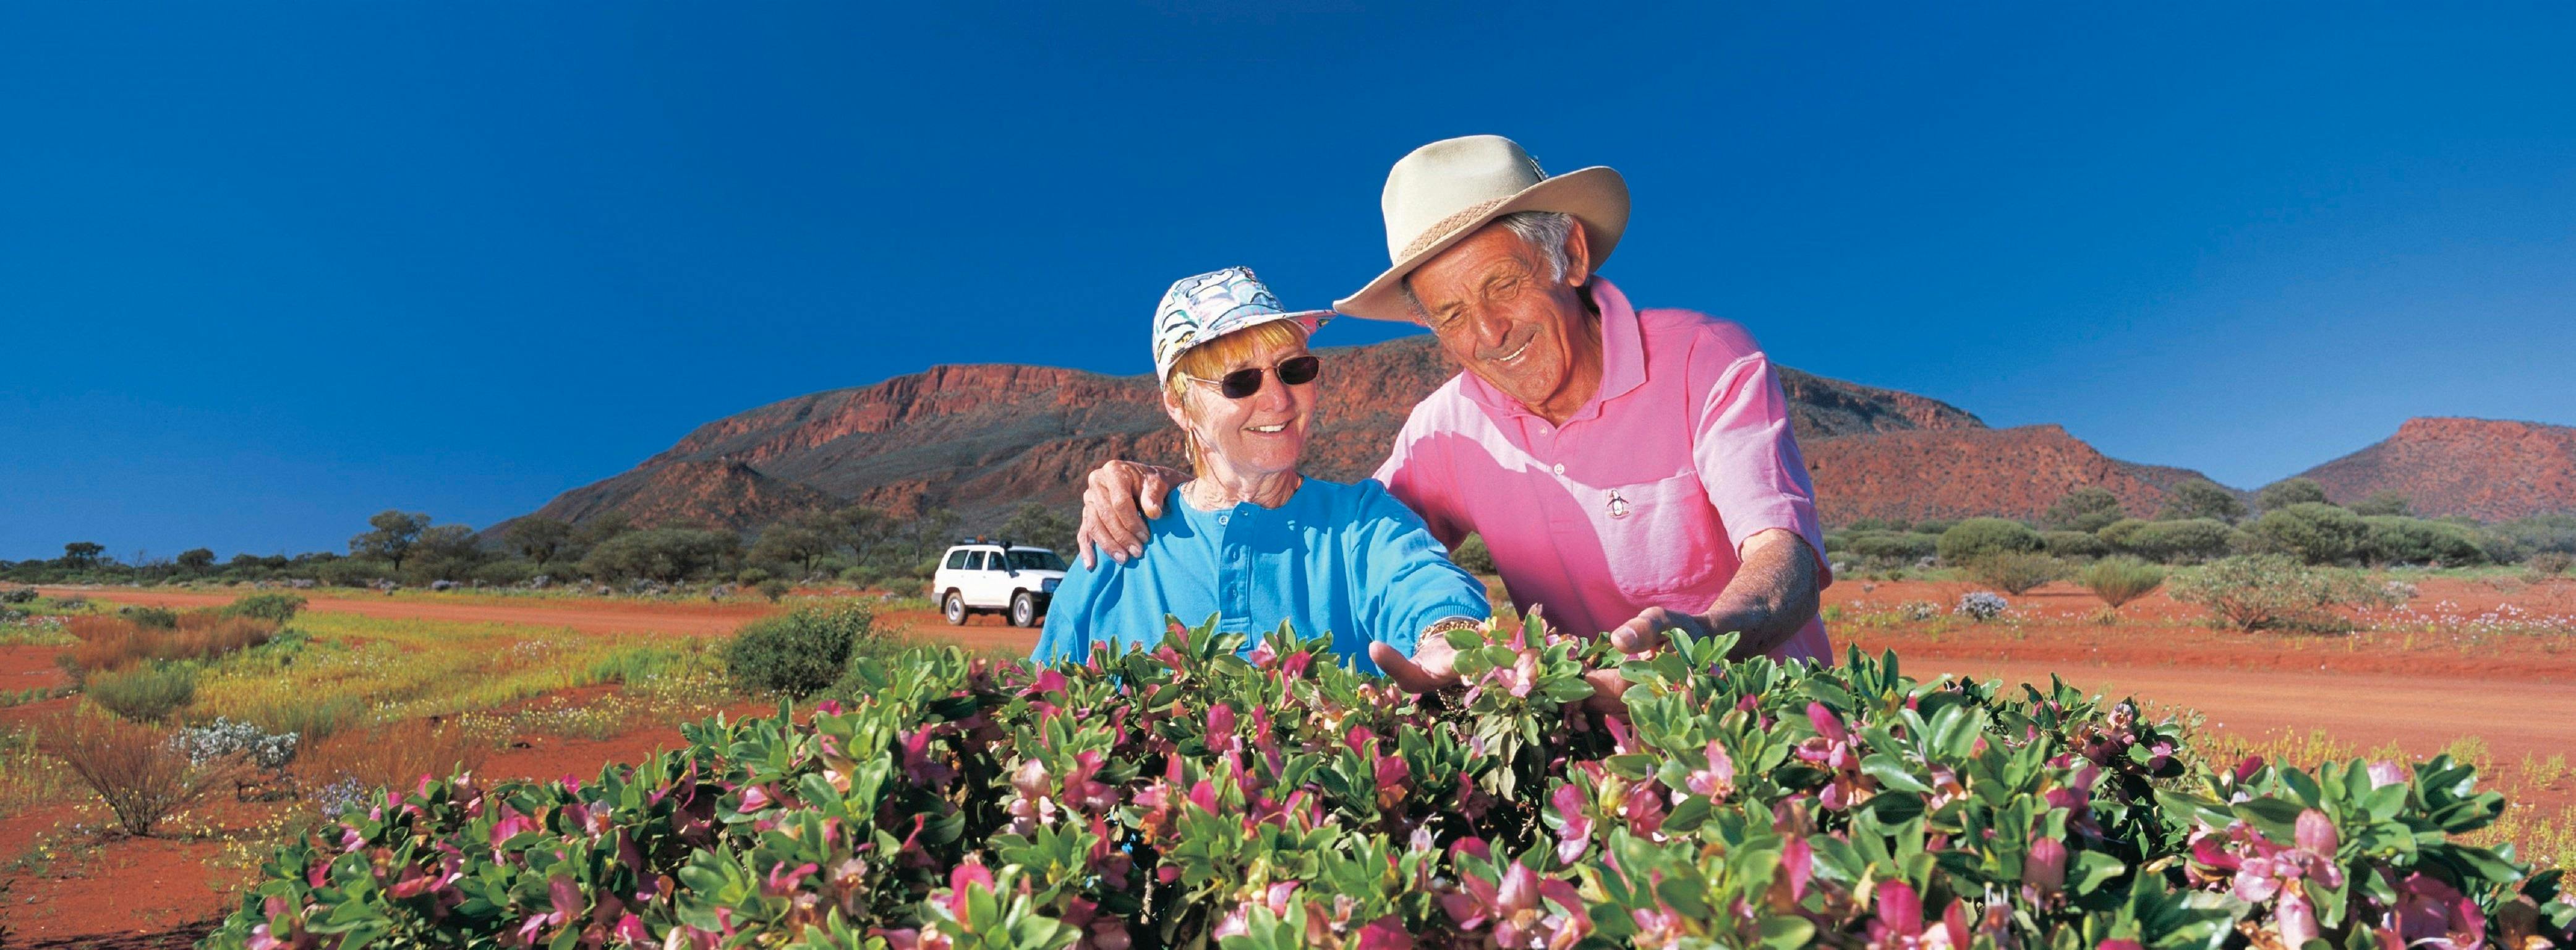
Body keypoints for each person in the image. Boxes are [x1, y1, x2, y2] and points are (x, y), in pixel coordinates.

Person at [1076, 135, 1830, 697]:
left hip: (1754, 716)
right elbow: (1331, 529)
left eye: (1502, 285)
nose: (1488, 333)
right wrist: (1182, 487)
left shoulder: (1705, 358)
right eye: (1451, 313)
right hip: (1584, 740)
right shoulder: (1446, 428)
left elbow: (1782, 562)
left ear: (1567, 254)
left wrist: (1695, 642)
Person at [1031, 267, 1490, 674]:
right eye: (1241, 381)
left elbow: (1423, 585)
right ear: (1179, 405)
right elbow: (1042, 707)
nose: (1278, 400)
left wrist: (1448, 637)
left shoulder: (1361, 523)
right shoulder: (1120, 543)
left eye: (1294, 369)